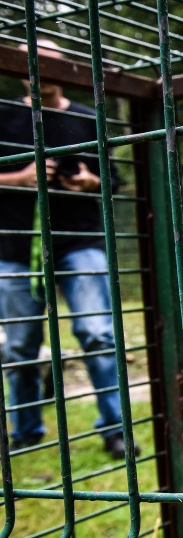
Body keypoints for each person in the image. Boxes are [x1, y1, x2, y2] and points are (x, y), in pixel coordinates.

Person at [0, 42, 135, 459]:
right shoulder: (3, 113)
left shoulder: (87, 118)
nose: (37, 69)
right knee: (19, 344)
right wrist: (20, 177)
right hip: (13, 244)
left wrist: (90, 182)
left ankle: (116, 430)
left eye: (48, 62)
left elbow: (113, 180)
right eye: (27, 62)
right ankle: (25, 430)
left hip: (80, 240)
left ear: (66, 69)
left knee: (98, 334)